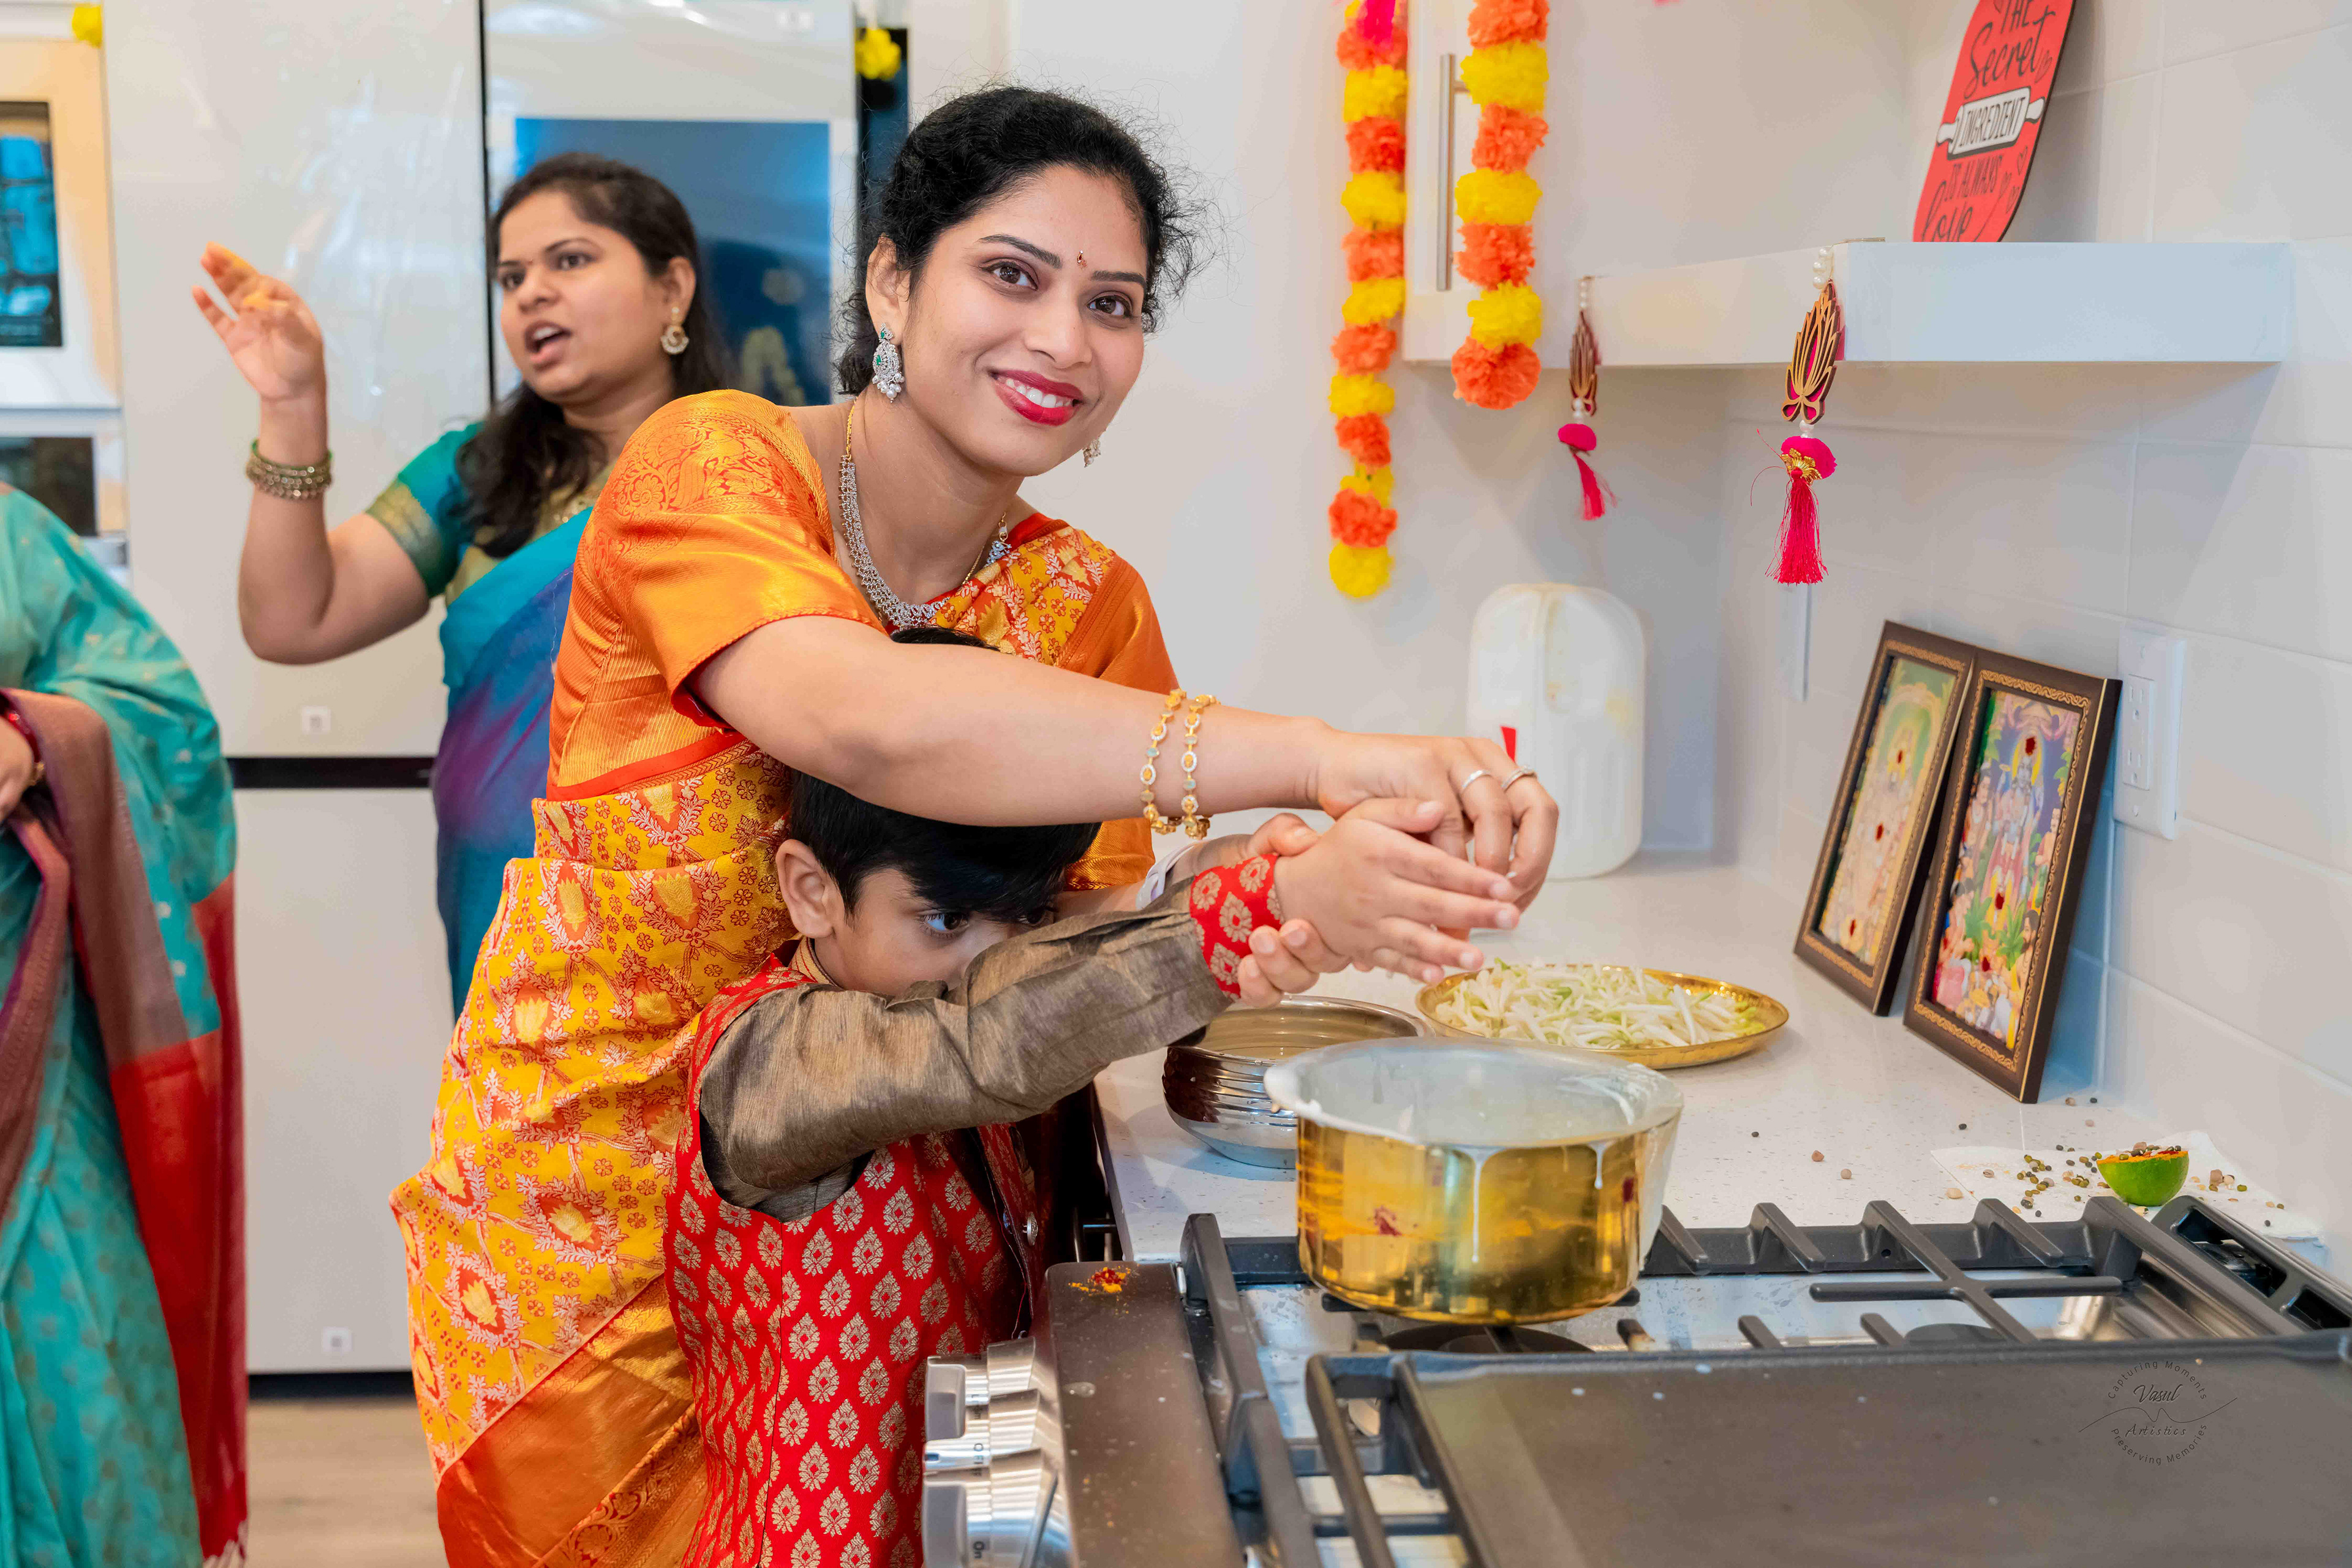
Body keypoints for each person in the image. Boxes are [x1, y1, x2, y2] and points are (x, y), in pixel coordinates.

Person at [393, 86, 1555, 1566]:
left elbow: (1065, 944)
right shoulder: (714, 468)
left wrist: (1288, 881)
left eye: (1112, 302)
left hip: (895, 1241)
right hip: (603, 1233)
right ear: (893, 282)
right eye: (1013, 274)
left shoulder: (1089, 604)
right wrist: (1319, 756)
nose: (1064, 338)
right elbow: (868, 717)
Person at [669, 651, 1491, 1566]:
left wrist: (1208, 878)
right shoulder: (761, 1064)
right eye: (947, 922)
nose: (990, 957)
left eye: (1022, 917)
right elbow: (989, 1031)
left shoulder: (951, 960)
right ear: (811, 891)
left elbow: (1045, 958)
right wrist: (1262, 905)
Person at [194, 153, 731, 1010]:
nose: (532, 294)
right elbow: (293, 619)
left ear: (672, 289)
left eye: (570, 260)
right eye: (512, 278)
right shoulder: (473, 475)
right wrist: (292, 409)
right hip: (500, 905)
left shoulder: (746, 467)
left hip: (690, 913)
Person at [0, 487, 244, 1567]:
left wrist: (38, 737)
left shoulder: (10, 534)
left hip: (29, 1032)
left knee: (86, 1392)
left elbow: (164, 715)